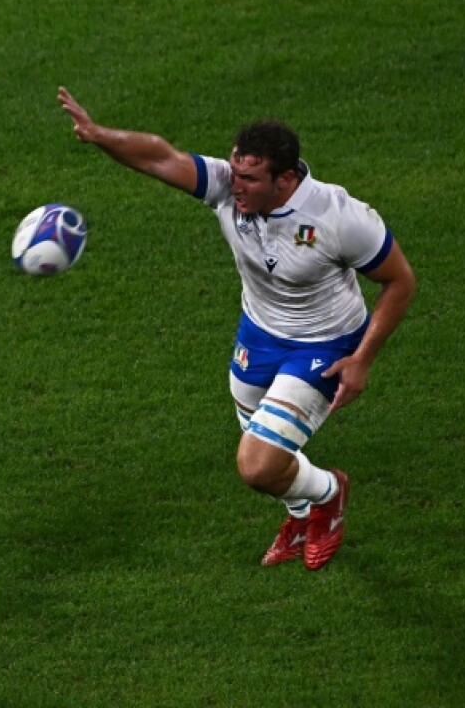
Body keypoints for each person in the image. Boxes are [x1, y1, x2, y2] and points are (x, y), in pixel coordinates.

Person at [57, 87, 415, 571]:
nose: (235, 185)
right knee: (268, 455)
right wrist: (99, 135)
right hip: (259, 333)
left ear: (285, 178)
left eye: (249, 178)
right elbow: (160, 156)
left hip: (325, 344)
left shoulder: (337, 217)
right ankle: (298, 513)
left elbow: (399, 281)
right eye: (234, 171)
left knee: (257, 465)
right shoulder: (229, 185)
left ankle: (329, 496)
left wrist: (363, 359)